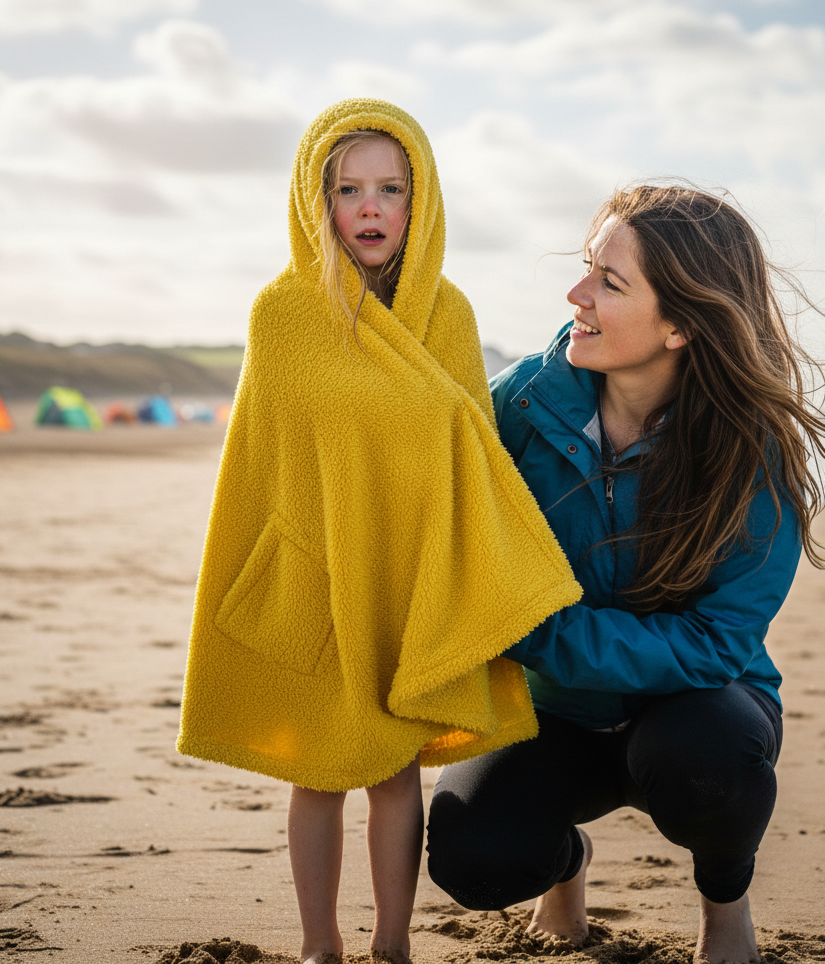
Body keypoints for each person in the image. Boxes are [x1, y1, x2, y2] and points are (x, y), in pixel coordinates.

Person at [176, 100, 580, 964]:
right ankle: (321, 946)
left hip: (406, 576)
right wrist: (280, 565)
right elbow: (259, 466)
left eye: (390, 188)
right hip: (317, 572)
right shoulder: (283, 314)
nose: (369, 206)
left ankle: (391, 944)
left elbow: (473, 460)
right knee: (316, 773)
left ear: (418, 200)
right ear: (314, 201)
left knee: (396, 770)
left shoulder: (449, 317)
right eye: (348, 188)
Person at [426, 184, 825, 964]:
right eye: (588, 269)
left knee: (708, 764)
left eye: (609, 283)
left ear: (682, 324)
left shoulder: (750, 452)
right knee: (472, 859)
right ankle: (568, 866)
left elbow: (716, 642)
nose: (575, 295)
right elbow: (432, 486)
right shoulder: (525, 401)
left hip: (695, 714)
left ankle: (725, 902)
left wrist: (535, 632)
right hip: (552, 715)